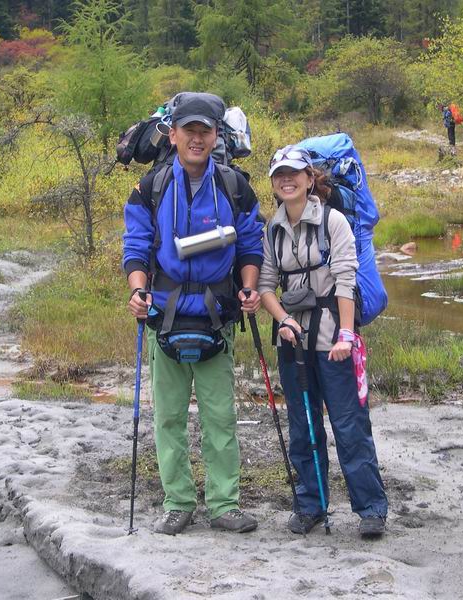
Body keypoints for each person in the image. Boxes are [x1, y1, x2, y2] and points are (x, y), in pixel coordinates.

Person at [122, 92, 264, 536]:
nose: (197, 139)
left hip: (216, 317)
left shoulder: (235, 187)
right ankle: (178, 503)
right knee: (168, 418)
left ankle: (224, 505)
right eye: (190, 131)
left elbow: (251, 245)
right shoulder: (151, 187)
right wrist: (138, 291)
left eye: (205, 131)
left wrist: (248, 288)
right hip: (164, 315)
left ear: (217, 135)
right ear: (174, 135)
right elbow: (136, 246)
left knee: (220, 417)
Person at [258, 145, 388, 538]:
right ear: (274, 183)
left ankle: (371, 510)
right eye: (280, 175)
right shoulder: (272, 230)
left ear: (309, 178)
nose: (287, 180)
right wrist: (283, 320)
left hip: (334, 341)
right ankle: (310, 506)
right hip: (292, 343)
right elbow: (266, 286)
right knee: (303, 427)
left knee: (350, 426)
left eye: (294, 173)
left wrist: (347, 334)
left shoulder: (333, 222)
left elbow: (346, 280)